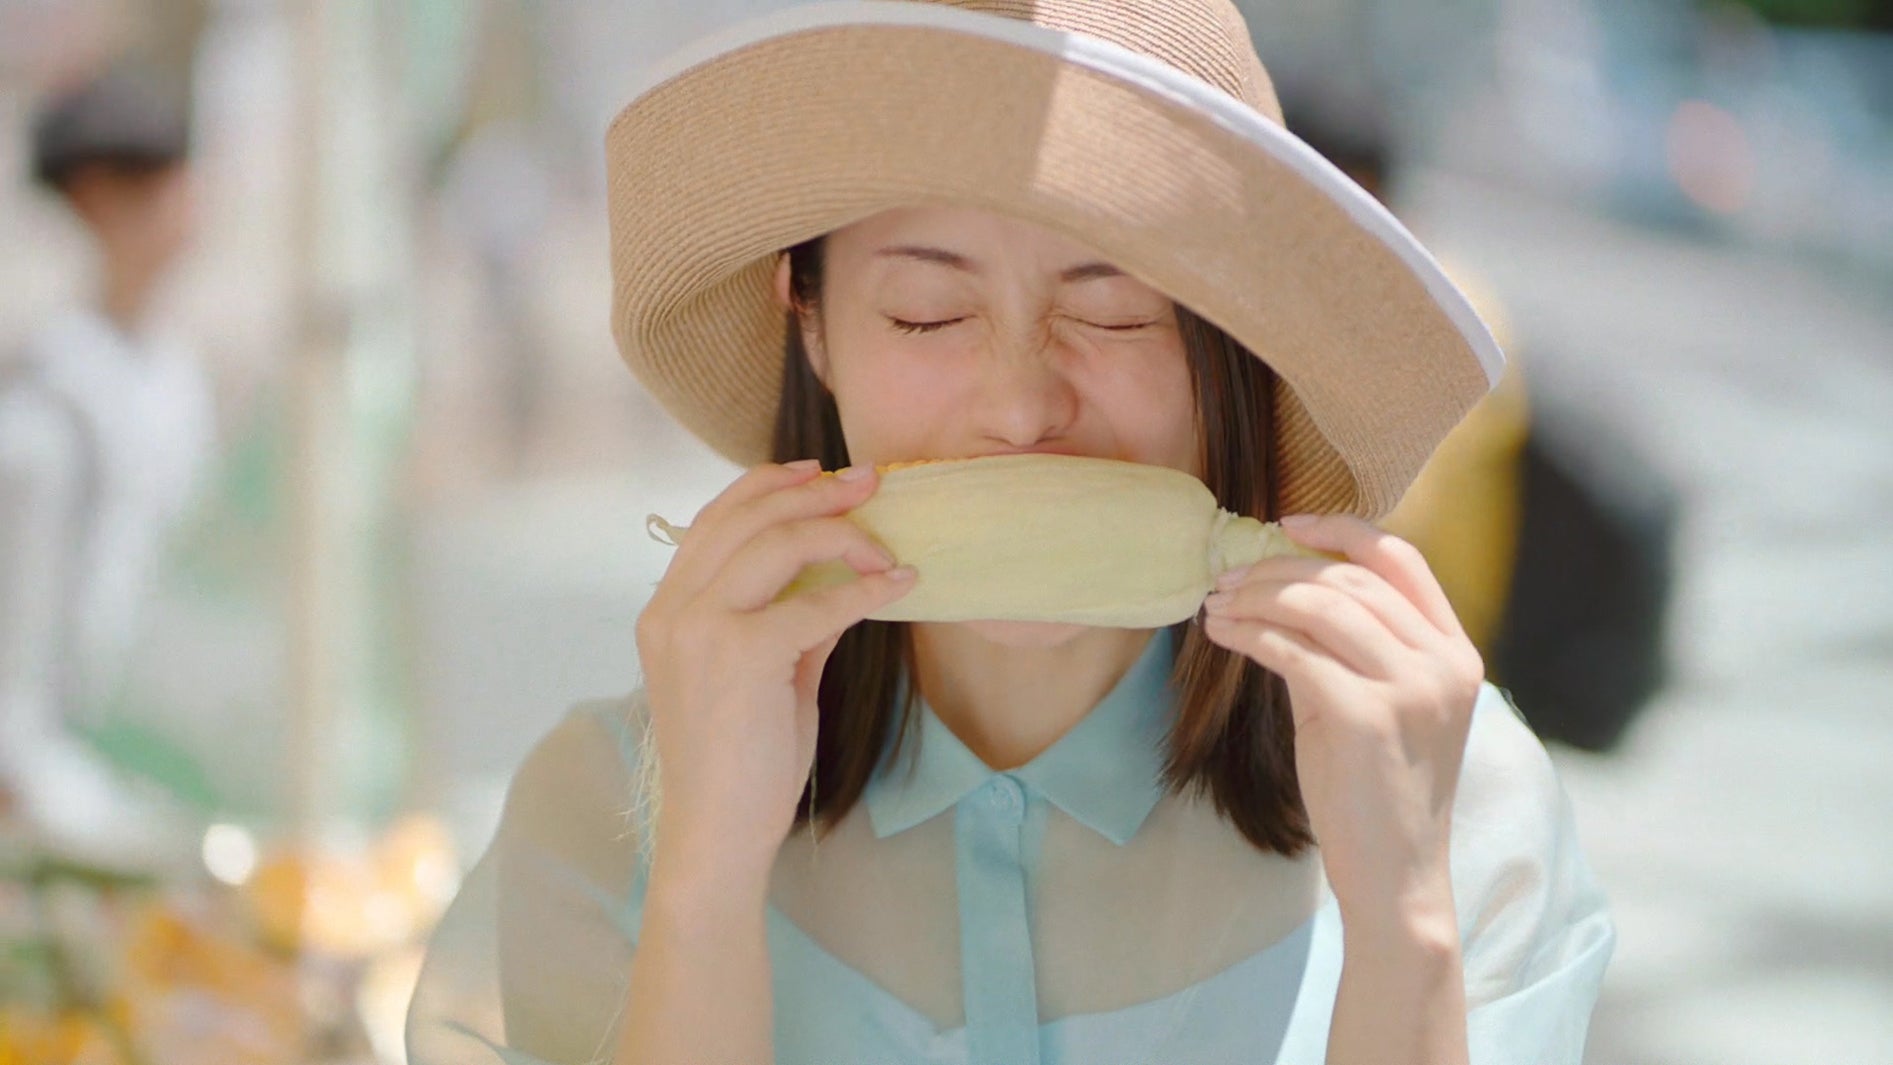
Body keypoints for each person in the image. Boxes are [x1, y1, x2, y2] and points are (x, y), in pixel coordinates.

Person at [406, 3, 1614, 1064]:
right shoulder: (595, 815)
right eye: (929, 315)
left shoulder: (1457, 806)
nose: (1023, 406)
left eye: (1116, 312)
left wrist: (1402, 920)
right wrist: (705, 887)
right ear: (812, 329)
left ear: (1231, 349)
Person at [0, 62, 215, 870]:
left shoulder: (173, 371)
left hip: (150, 768)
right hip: (62, 803)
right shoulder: (47, 405)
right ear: (96, 198)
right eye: (163, 179)